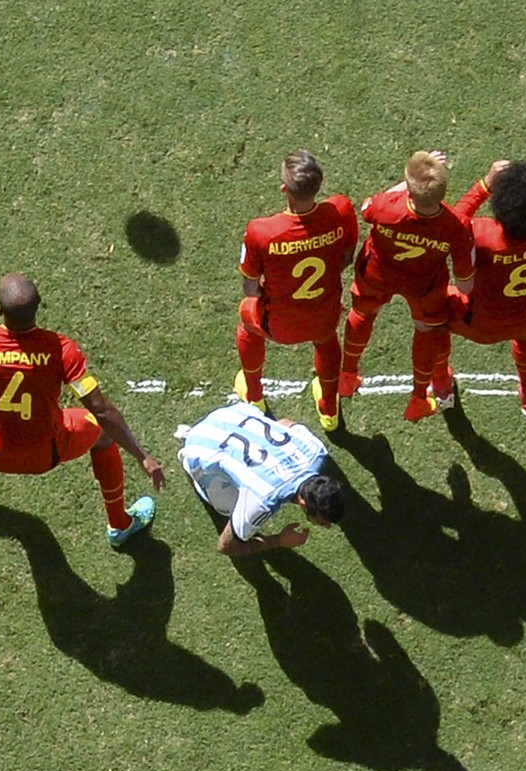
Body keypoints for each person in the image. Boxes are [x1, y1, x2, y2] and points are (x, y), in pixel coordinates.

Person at [0, 274, 164, 546]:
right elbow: (102, 411)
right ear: (39, 304)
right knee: (102, 435)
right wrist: (142, 456)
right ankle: (119, 525)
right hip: (48, 453)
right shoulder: (62, 350)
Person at [340, 150, 474, 422]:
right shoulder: (456, 226)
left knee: (363, 314)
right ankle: (418, 398)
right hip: (424, 288)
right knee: (426, 332)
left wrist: (405, 185)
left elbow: (367, 209)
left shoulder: (387, 206)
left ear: (410, 193)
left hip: (377, 275)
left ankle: (347, 374)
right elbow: (465, 284)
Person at [236, 149, 359, 431]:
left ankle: (254, 396)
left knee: (246, 318)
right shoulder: (340, 210)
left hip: (278, 323)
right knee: (327, 344)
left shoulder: (261, 231)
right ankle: (329, 411)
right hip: (325, 314)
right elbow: (346, 257)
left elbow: (250, 288)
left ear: (284, 189)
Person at [439, 160, 526, 422]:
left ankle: (441, 386)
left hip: (476, 320)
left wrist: (484, 185)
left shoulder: (483, 235)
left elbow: (447, 226)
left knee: (431, 318)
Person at [176, 403, 345, 556]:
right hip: (199, 446)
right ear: (303, 504)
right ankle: (187, 448)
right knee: (228, 508)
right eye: (322, 523)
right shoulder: (262, 499)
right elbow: (226, 546)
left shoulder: (316, 451)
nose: (327, 527)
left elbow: (286, 423)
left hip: (232, 413)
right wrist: (278, 540)